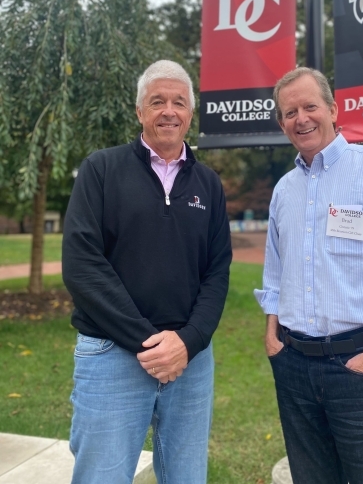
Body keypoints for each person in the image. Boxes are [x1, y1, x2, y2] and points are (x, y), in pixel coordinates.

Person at [255, 67, 363, 484]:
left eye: (310, 106)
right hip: (294, 367)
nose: (301, 119)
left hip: (362, 366)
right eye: (290, 112)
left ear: (333, 109)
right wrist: (272, 335)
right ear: (282, 124)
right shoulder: (284, 191)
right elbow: (275, 270)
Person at [62, 59, 232, 484]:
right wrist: (151, 343)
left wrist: (188, 343)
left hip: (190, 362)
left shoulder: (208, 184)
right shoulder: (100, 170)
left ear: (190, 114)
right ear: (140, 112)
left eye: (178, 102)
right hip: (112, 356)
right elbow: (83, 266)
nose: (168, 111)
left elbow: (217, 271)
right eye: (157, 101)